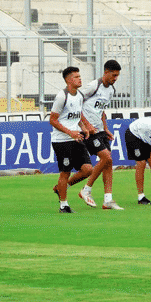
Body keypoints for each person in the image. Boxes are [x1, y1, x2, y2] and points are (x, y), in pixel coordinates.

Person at [79, 60, 124, 210]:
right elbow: (76, 104)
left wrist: (106, 128)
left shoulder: (111, 90)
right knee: (106, 158)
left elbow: (102, 111)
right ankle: (86, 190)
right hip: (88, 131)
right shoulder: (94, 86)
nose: (115, 78)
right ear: (106, 72)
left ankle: (108, 200)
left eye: (117, 76)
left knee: (108, 163)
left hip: (100, 130)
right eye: (114, 75)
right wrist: (86, 125)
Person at [50, 67, 95, 213]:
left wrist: (83, 127)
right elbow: (52, 120)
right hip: (62, 141)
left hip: (76, 138)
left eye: (80, 76)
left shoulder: (79, 95)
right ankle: (64, 205)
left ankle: (61, 188)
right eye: (76, 77)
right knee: (65, 172)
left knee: (88, 169)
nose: (80, 79)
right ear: (69, 80)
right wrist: (70, 133)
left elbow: (77, 114)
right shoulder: (62, 96)